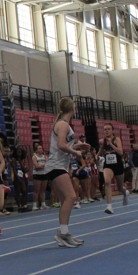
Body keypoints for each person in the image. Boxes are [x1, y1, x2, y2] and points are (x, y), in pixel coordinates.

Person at [47, 97, 91, 247]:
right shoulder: (63, 124)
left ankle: (64, 232)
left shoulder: (64, 124)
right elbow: (60, 145)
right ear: (72, 108)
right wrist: (75, 152)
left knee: (65, 200)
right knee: (71, 197)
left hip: (59, 165)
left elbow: (62, 144)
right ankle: (63, 234)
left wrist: (78, 146)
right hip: (56, 166)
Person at [97, 123, 129, 214]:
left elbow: (121, 152)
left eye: (108, 129)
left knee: (120, 188)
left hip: (118, 165)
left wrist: (111, 143)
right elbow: (100, 152)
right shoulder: (102, 141)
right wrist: (97, 155)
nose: (106, 131)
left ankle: (125, 192)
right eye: (105, 129)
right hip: (108, 165)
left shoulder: (116, 139)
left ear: (112, 130)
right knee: (107, 181)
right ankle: (109, 206)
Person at [31, 142, 49, 209]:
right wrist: (42, 165)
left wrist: (40, 165)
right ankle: (34, 205)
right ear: (36, 150)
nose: (41, 149)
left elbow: (48, 164)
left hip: (44, 174)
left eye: (41, 148)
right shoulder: (34, 157)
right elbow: (36, 166)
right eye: (39, 148)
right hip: (37, 174)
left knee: (43, 190)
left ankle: (43, 204)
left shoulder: (45, 156)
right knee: (36, 190)